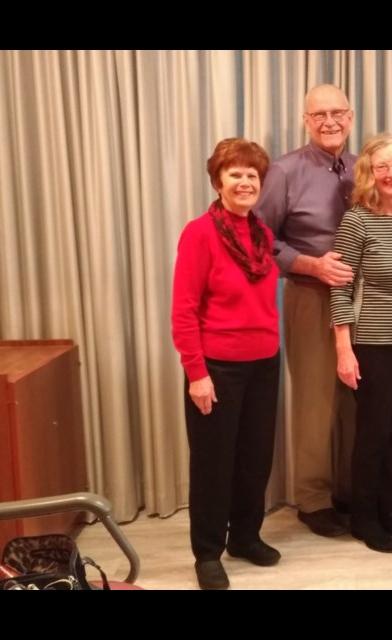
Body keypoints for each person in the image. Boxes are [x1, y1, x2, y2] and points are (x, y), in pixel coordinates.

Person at [171, 138, 282, 590]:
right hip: (216, 368)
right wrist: (196, 372)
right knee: (214, 464)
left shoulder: (262, 234)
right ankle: (208, 552)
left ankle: (246, 537)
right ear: (218, 181)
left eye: (252, 175)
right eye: (234, 174)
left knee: (255, 459)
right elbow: (183, 310)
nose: (244, 182)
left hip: (264, 364)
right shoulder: (199, 233)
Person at [255, 84, 356, 538]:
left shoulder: (364, 168)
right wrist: (309, 263)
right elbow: (258, 240)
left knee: (357, 401)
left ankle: (353, 491)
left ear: (351, 117)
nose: (329, 121)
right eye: (319, 115)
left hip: (364, 302)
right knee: (317, 402)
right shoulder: (284, 171)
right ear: (306, 120)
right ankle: (314, 499)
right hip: (310, 295)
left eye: (337, 113)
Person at [330, 134, 392, 553]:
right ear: (370, 174)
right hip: (370, 342)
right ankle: (364, 517)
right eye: (382, 167)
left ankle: (390, 510)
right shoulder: (357, 220)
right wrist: (343, 349)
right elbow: (339, 288)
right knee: (371, 434)